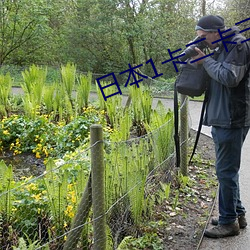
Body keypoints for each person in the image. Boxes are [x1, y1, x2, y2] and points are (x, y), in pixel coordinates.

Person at [192, 15, 250, 238]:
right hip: (223, 116)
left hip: (232, 117)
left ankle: (228, 223)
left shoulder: (238, 45)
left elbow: (229, 77)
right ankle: (237, 214)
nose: (201, 41)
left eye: (203, 37)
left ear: (215, 32)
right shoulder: (222, 47)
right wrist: (202, 60)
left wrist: (205, 61)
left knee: (225, 171)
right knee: (227, 171)